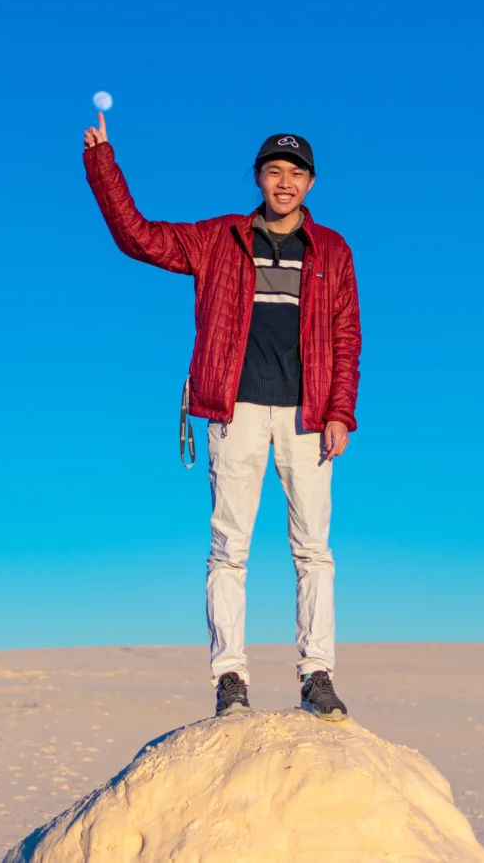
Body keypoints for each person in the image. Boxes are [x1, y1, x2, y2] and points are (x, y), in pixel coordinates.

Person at [83, 113, 361, 721]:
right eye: (273, 170)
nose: (284, 182)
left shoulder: (332, 251)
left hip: (307, 418)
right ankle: (230, 676)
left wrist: (341, 411)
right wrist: (103, 164)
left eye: (296, 173)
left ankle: (317, 674)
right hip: (233, 411)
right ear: (258, 177)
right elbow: (139, 237)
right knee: (228, 549)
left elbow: (346, 338)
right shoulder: (220, 239)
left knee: (313, 550)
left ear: (311, 184)